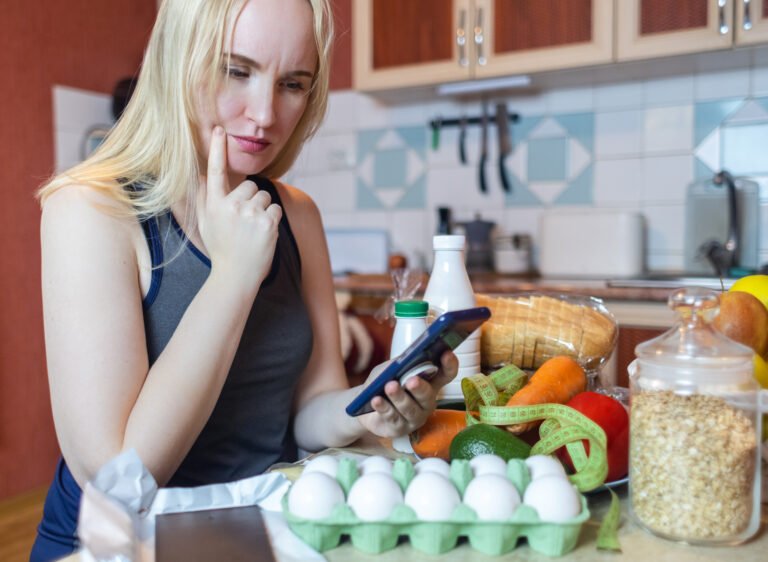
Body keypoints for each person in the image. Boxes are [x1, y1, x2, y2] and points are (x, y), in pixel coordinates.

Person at [30, 0, 458, 560]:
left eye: (293, 83)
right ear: (177, 59)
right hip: (123, 544)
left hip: (262, 524)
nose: (264, 113)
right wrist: (232, 277)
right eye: (237, 70)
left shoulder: (296, 214)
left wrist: (369, 399)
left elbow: (309, 411)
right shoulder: (88, 210)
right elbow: (119, 477)